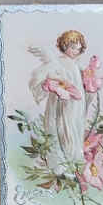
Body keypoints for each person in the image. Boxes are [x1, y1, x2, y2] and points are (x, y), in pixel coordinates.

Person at [29, 30, 87, 174]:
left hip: (74, 104)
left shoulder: (74, 64)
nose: (75, 51)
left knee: (74, 127)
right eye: (72, 47)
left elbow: (78, 86)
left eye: (78, 49)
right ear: (64, 46)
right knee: (62, 128)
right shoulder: (60, 62)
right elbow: (47, 77)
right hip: (62, 103)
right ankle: (62, 163)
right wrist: (57, 87)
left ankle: (72, 161)